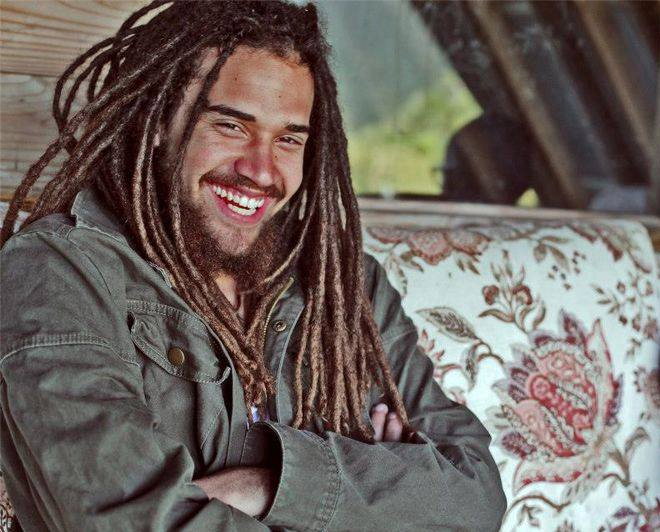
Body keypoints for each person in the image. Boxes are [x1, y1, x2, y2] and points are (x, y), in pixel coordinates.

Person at [0, 1, 506, 530]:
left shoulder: (342, 285)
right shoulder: (59, 272)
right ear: (157, 122)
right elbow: (126, 520)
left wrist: (265, 484)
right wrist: (373, 495)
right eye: (231, 126)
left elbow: (474, 499)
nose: (261, 170)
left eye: (288, 139)